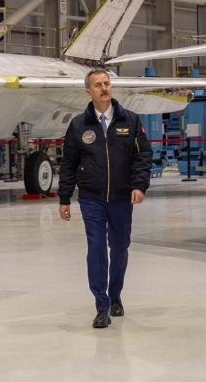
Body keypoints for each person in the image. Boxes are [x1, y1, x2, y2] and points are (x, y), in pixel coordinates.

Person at [58, 68, 152, 328]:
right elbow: (68, 163)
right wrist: (64, 198)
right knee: (96, 248)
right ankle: (101, 305)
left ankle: (115, 294)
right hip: (92, 198)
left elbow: (143, 155)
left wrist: (139, 185)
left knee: (120, 247)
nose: (104, 88)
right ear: (88, 91)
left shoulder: (130, 120)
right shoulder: (79, 125)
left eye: (107, 83)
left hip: (122, 197)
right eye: (98, 85)